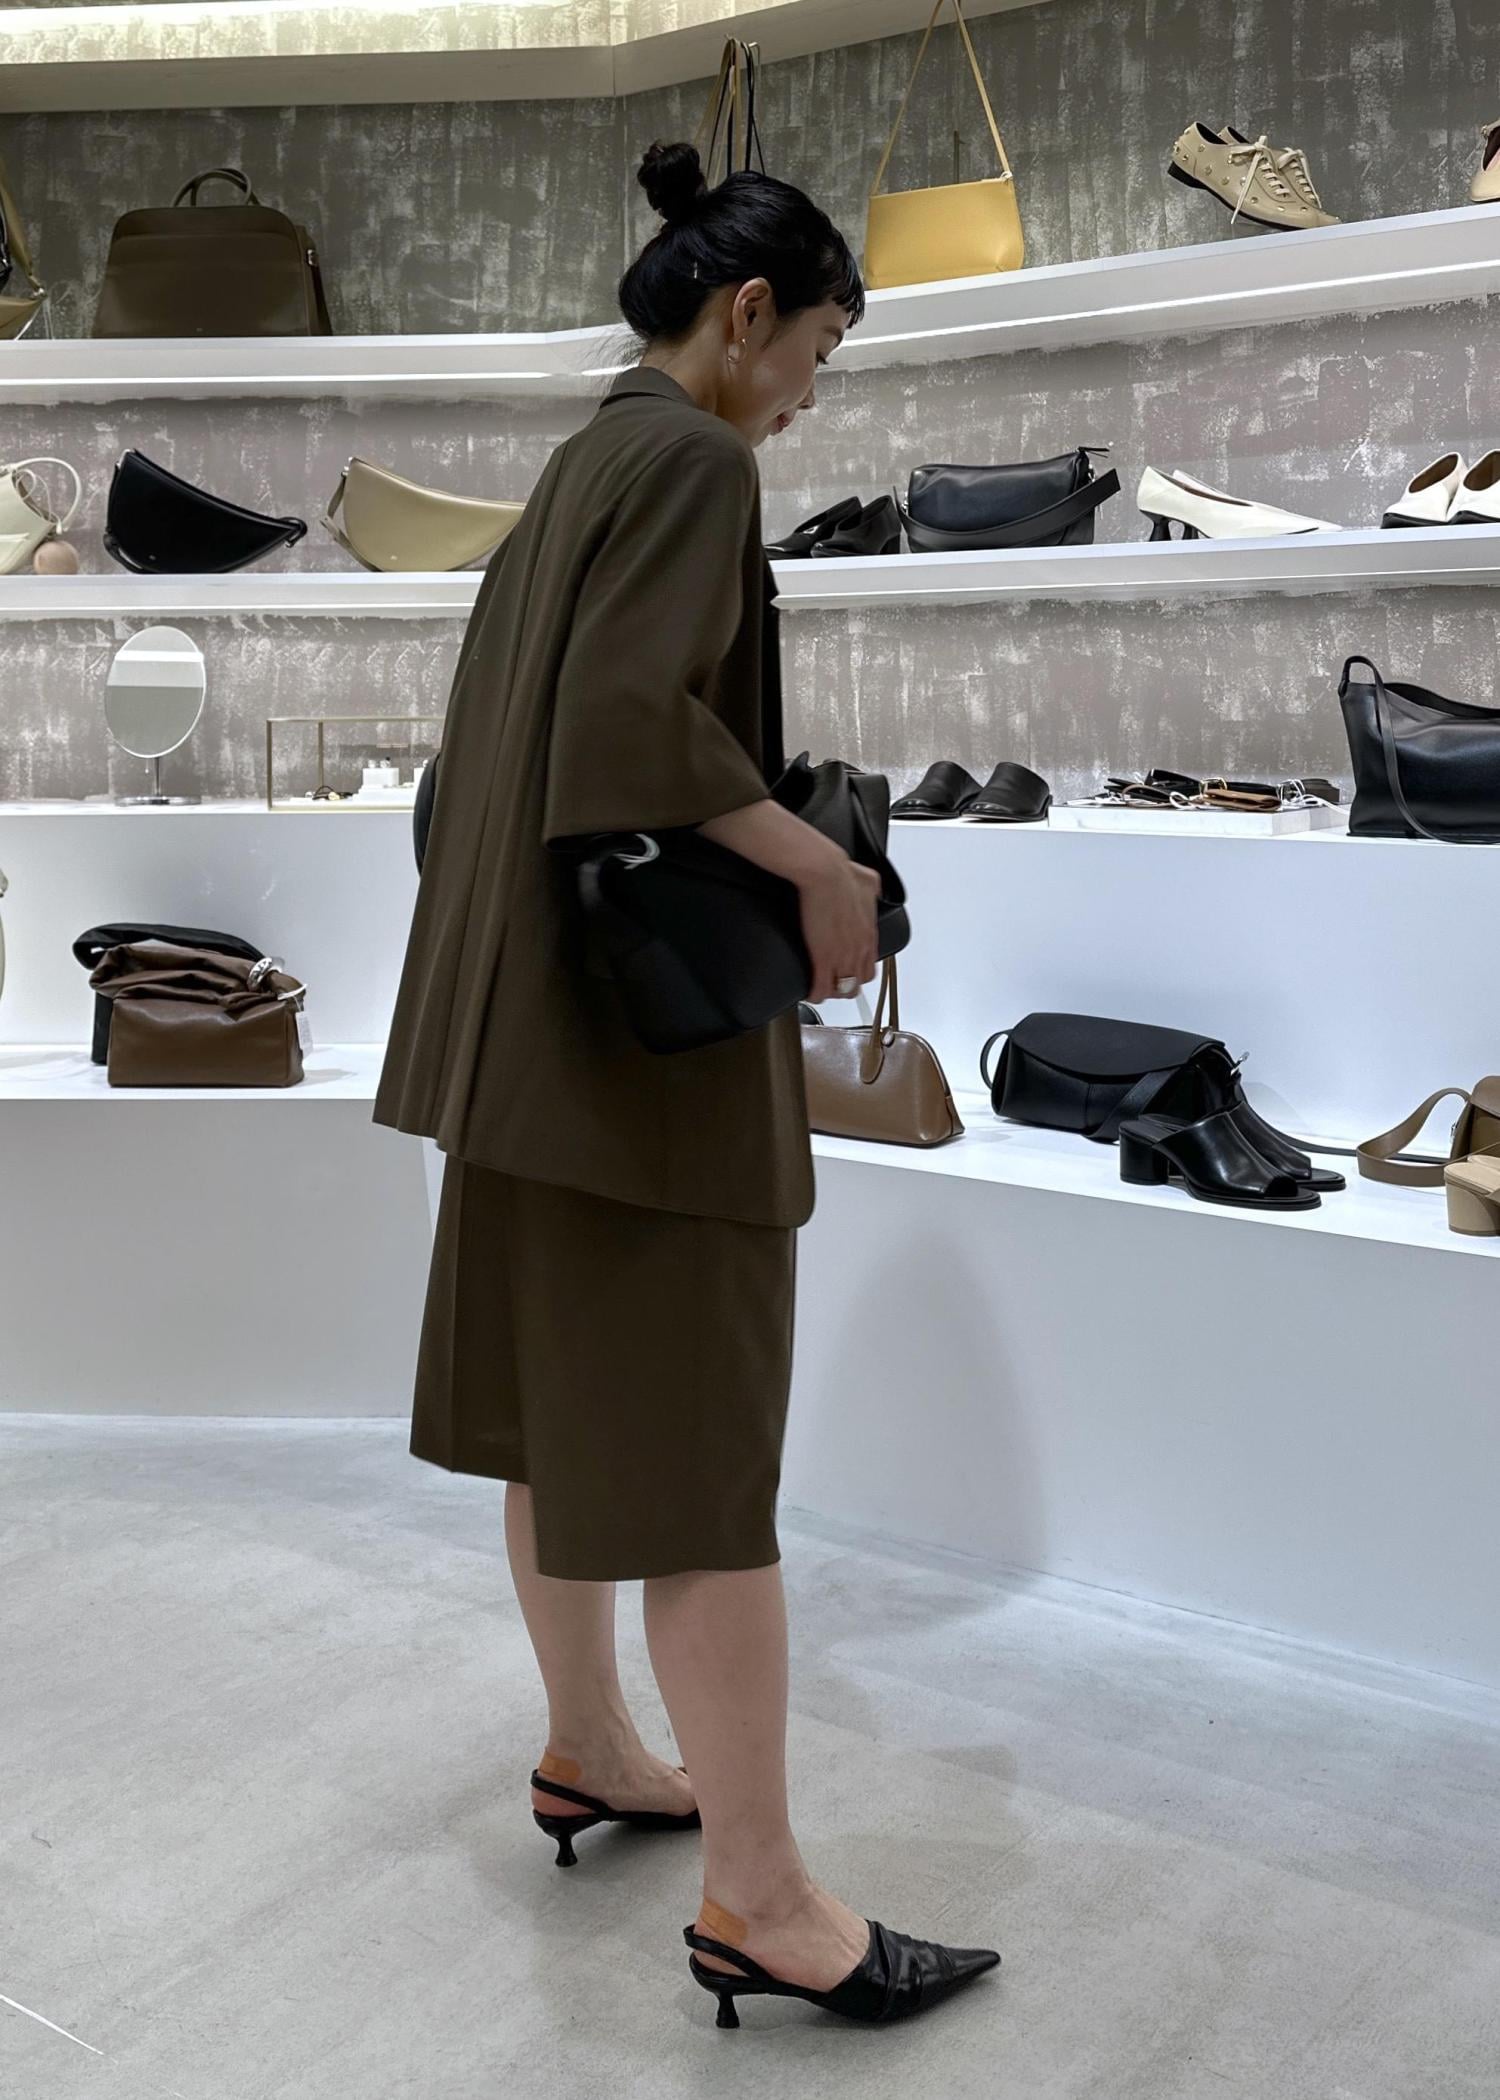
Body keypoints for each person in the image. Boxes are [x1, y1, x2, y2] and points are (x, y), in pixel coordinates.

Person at [372, 137, 998, 2029]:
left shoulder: (584, 462)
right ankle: (767, 1902)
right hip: (629, 1067)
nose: (809, 396)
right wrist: (824, 871)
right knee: (706, 1472)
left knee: (556, 1425)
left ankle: (590, 1747)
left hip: (520, 1042)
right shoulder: (698, 463)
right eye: (818, 351)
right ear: (746, 314)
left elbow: (490, 764)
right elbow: (629, 730)